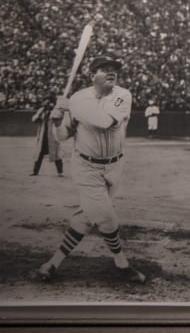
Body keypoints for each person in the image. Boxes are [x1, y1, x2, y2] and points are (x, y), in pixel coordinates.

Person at [36, 56, 146, 284]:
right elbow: (63, 136)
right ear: (92, 75)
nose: (111, 72)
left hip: (115, 166)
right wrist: (57, 122)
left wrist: (71, 107)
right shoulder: (77, 98)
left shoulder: (122, 95)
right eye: (104, 69)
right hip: (86, 167)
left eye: (114, 69)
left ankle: (52, 264)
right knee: (105, 217)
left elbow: (105, 121)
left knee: (87, 218)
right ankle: (122, 264)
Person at [31, 96, 64, 177]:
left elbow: (58, 122)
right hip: (43, 136)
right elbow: (34, 120)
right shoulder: (41, 111)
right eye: (46, 103)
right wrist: (39, 115)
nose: (46, 104)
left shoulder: (56, 111)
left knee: (56, 154)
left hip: (52, 136)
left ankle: (60, 172)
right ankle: (35, 171)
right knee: (39, 154)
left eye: (48, 103)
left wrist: (55, 111)